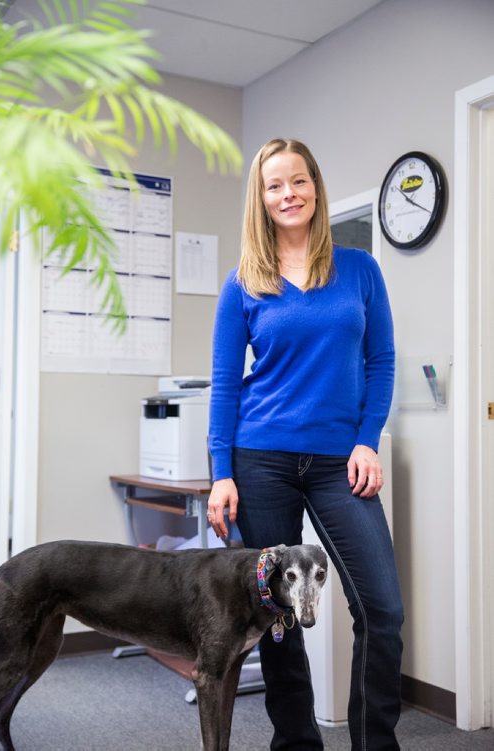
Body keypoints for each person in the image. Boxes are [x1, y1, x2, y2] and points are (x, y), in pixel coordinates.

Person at [207, 137, 404, 751]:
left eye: (297, 181)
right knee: (277, 618)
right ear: (260, 200)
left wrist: (367, 440)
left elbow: (381, 360)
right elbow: (223, 383)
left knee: (382, 609)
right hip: (259, 458)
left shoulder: (360, 270)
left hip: (338, 461)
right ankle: (296, 744)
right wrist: (221, 470)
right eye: (274, 186)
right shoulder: (243, 282)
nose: (287, 193)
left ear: (314, 187)